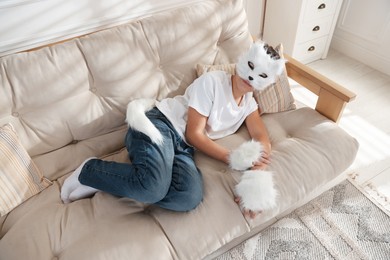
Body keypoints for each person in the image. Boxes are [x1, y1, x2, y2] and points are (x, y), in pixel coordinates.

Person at [61, 41, 284, 218]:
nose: (251, 78)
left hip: (183, 149)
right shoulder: (213, 82)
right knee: (152, 189)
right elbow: (194, 134)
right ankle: (89, 171)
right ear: (243, 61)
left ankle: (135, 181)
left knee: (188, 198)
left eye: (262, 76)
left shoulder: (248, 103)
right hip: (159, 125)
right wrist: (232, 158)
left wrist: (257, 169)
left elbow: (260, 136)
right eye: (251, 67)